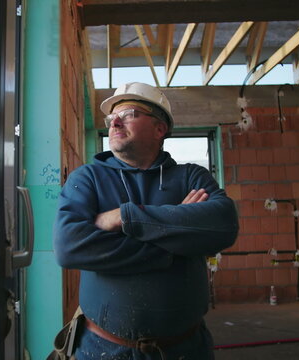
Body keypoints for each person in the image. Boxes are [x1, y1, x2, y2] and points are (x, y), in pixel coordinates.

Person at [53, 82, 239, 359]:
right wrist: (173, 242)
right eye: (110, 118)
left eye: (128, 113)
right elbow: (69, 247)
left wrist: (124, 216)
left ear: (159, 129)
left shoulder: (191, 177)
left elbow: (223, 225)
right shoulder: (88, 178)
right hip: (103, 349)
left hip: (185, 349)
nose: (114, 122)